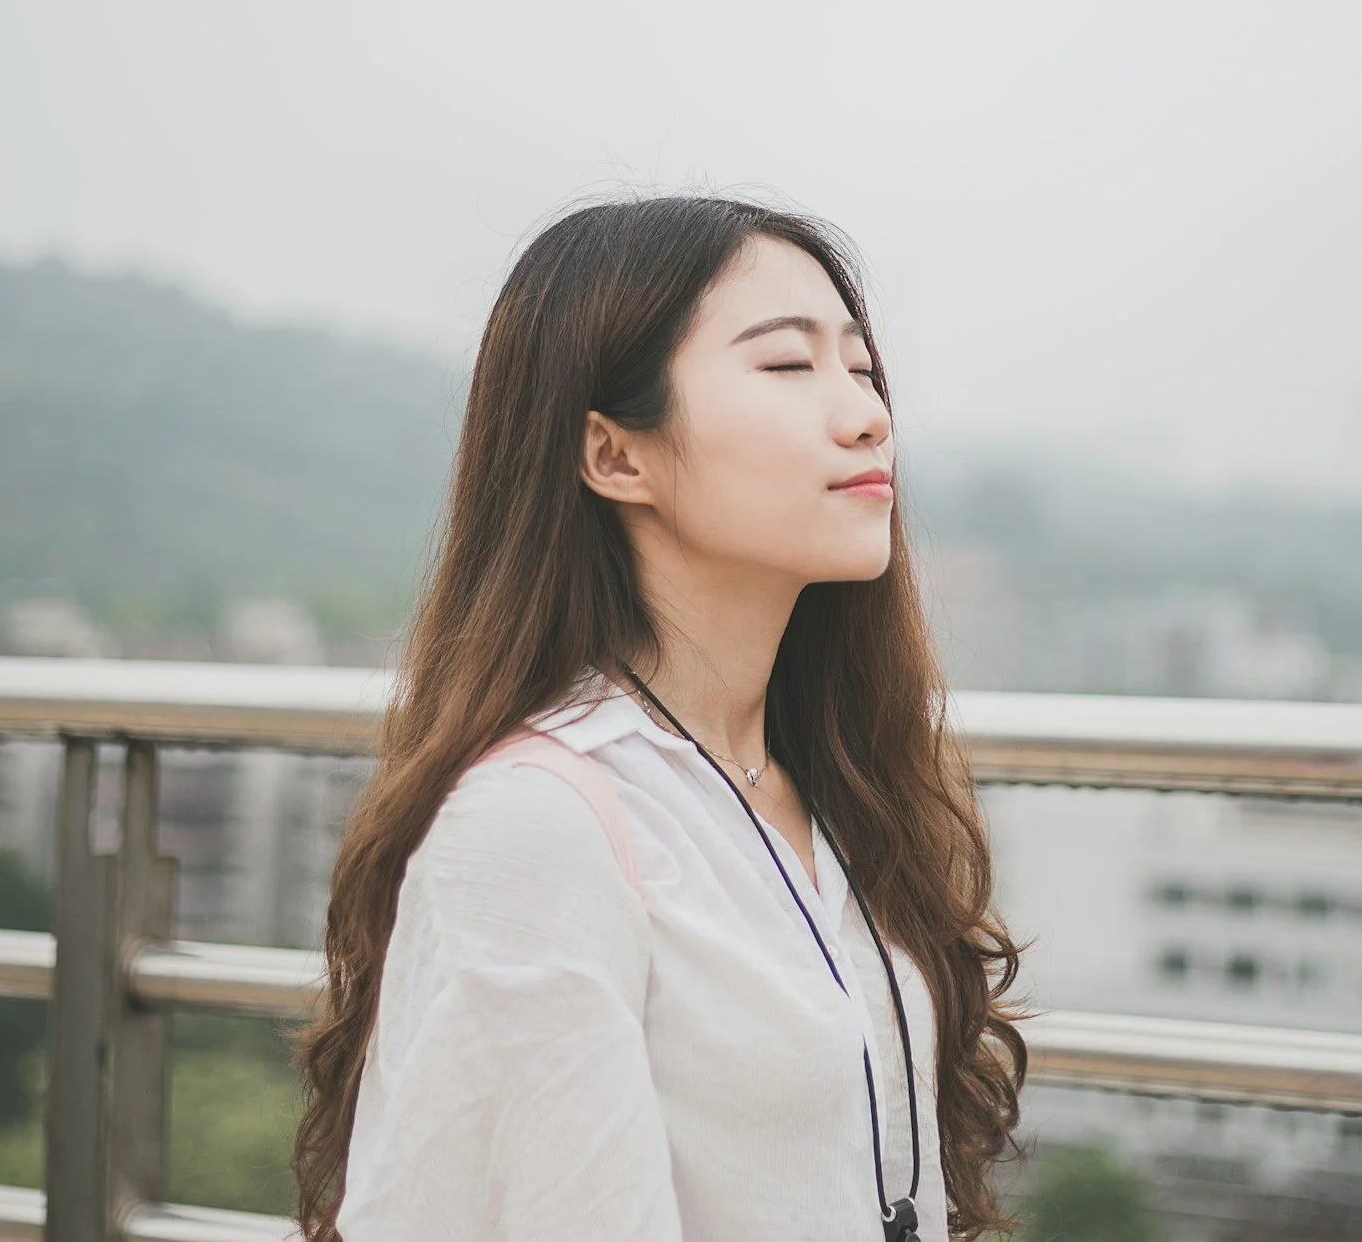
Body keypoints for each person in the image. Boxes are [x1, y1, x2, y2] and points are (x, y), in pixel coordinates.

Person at [292, 192, 1030, 1241]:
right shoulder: (540, 822)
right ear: (614, 454)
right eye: (787, 365)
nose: (865, 413)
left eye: (863, 368)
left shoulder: (830, 784)